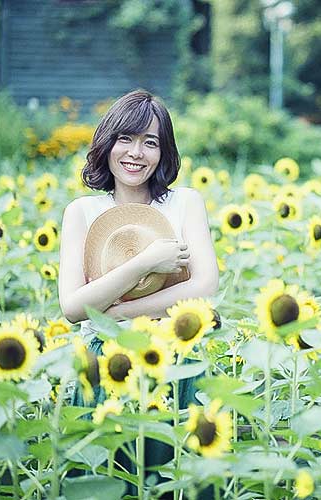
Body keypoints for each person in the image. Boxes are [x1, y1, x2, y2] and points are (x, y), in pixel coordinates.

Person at [57, 89, 219, 495]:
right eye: (126, 138)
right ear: (107, 144)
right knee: (108, 478)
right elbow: (73, 307)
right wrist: (146, 262)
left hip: (176, 358)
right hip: (106, 361)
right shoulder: (83, 212)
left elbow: (204, 287)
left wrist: (117, 311)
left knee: (173, 479)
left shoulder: (184, 203)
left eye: (151, 142)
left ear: (164, 153)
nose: (136, 153)